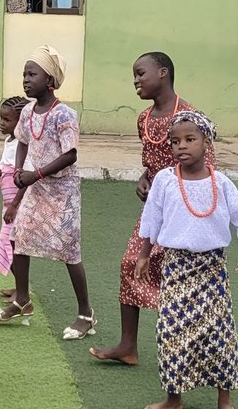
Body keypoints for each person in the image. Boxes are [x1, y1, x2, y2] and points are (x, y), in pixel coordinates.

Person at [135, 111, 238, 409]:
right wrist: (143, 255)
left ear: (206, 142)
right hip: (176, 269)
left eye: (189, 139)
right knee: (170, 333)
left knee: (219, 334)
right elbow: (151, 218)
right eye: (174, 142)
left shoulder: (221, 183)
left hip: (212, 271)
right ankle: (173, 398)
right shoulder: (165, 181)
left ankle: (225, 398)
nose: (181, 146)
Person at [92, 51, 196, 366]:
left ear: (163, 73)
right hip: (154, 211)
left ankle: (190, 350)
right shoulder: (144, 118)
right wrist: (143, 179)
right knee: (130, 264)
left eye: (141, 73)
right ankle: (128, 346)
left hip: (184, 212)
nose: (136, 80)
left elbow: (205, 165)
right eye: (134, 75)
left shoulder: (188, 116)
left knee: (182, 278)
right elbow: (150, 163)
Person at [0, 45, 95, 342]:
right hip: (36, 186)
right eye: (24, 73)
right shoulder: (28, 112)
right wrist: (19, 171)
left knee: (70, 252)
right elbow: (22, 141)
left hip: (63, 193)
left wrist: (34, 173)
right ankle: (22, 300)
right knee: (17, 236)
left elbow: (70, 155)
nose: (25, 79)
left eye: (32, 74)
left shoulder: (64, 114)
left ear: (50, 80)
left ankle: (86, 313)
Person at [0, 96, 29, 289]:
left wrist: (14, 206)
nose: (1, 123)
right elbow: (6, 168)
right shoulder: (9, 141)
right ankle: (20, 288)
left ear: (20, 122)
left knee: (11, 245)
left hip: (16, 206)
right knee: (9, 245)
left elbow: (24, 179)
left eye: (7, 120)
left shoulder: (22, 146)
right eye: (1, 118)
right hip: (8, 204)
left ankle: (22, 292)